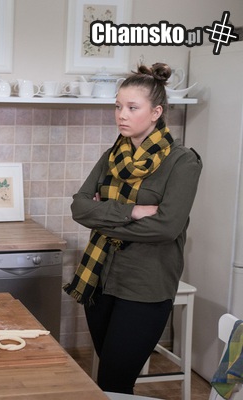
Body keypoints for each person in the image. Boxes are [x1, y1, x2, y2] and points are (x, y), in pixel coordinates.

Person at [63, 63, 202, 394]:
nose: (121, 115)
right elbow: (79, 207)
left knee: (114, 380)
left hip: (145, 285)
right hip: (100, 280)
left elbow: (166, 228)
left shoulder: (182, 161)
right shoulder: (112, 156)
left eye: (132, 107)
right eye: (118, 106)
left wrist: (103, 218)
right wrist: (133, 212)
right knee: (112, 377)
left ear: (156, 112)